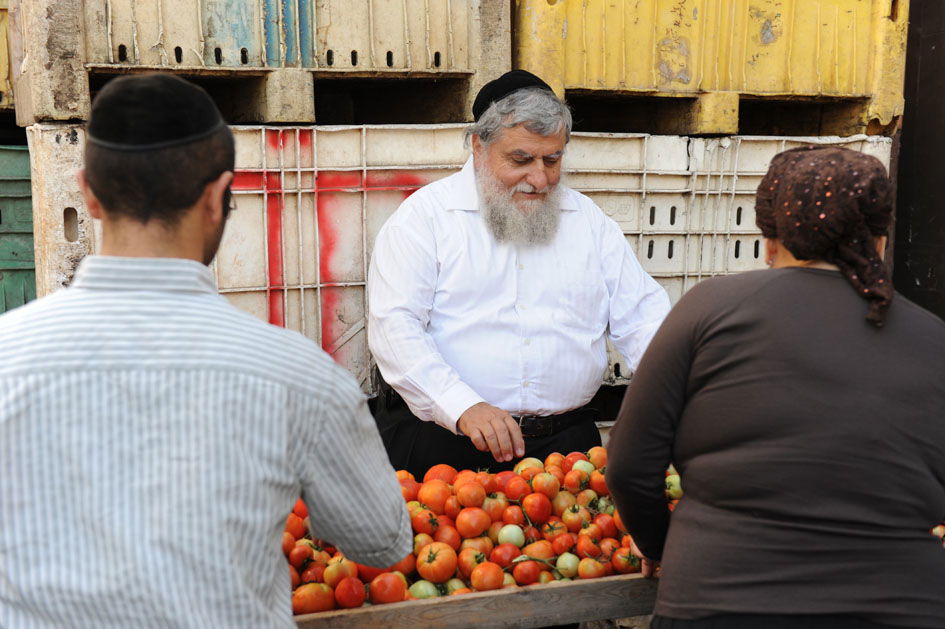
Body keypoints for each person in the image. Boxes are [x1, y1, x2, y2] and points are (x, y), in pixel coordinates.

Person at [0, 74, 411, 628]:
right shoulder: (300, 377)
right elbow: (381, 543)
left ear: (89, 194)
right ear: (218, 196)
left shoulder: (8, 356)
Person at [606, 146, 945, 629]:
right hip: (900, 605)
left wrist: (665, 548)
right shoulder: (934, 339)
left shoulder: (708, 309)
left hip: (719, 601)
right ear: (882, 242)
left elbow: (629, 465)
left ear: (770, 242)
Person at [368, 70, 670, 478]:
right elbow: (395, 329)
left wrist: (682, 395)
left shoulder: (589, 223)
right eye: (521, 160)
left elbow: (643, 320)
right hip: (444, 446)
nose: (540, 179)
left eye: (553, 159)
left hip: (566, 451)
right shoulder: (425, 219)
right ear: (478, 145)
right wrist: (461, 405)